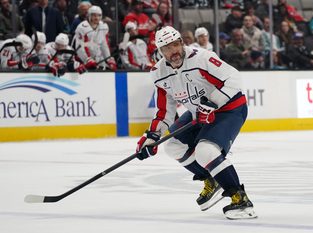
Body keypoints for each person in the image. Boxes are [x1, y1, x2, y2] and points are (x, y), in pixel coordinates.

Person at [135, 26, 257, 220]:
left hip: (229, 108)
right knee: (173, 145)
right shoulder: (159, 73)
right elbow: (165, 110)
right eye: (167, 48)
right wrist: (151, 136)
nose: (173, 51)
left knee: (205, 151)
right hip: (197, 113)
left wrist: (212, 103)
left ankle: (240, 199)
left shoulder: (202, 58)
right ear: (160, 52)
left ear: (181, 43)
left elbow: (234, 78)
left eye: (175, 45)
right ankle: (212, 179)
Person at [74, 5, 117, 71]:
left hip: (98, 60)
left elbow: (104, 45)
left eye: (99, 15)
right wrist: (87, 59)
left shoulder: (103, 27)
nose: (96, 18)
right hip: (83, 61)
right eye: (94, 15)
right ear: (89, 15)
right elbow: (79, 47)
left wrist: (108, 59)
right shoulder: (81, 28)